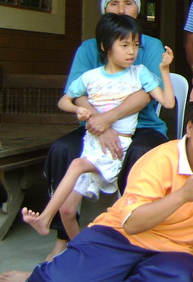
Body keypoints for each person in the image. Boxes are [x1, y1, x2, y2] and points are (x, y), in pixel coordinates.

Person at [1, 98, 193, 282]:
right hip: (119, 236)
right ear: (190, 127)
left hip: (176, 249)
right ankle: (33, 279)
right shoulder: (160, 159)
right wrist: (182, 196)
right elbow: (132, 225)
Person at [42, 0, 169, 261]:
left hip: (143, 126)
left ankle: (135, 233)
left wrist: (109, 120)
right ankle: (63, 237)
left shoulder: (149, 45)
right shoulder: (89, 48)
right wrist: (100, 126)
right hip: (93, 127)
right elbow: (76, 93)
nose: (121, 9)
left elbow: (146, 94)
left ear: (137, 9)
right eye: (114, 3)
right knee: (62, 149)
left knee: (143, 150)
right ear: (104, 10)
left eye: (128, 3)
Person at [22, 14, 175, 240]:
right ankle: (78, 250)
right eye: (124, 45)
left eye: (135, 45)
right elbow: (64, 101)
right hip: (91, 146)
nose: (132, 52)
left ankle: (44, 219)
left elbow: (168, 102)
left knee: (76, 165)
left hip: (116, 148)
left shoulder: (140, 73)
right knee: (67, 211)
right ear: (105, 46)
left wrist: (164, 69)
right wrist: (78, 110)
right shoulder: (90, 77)